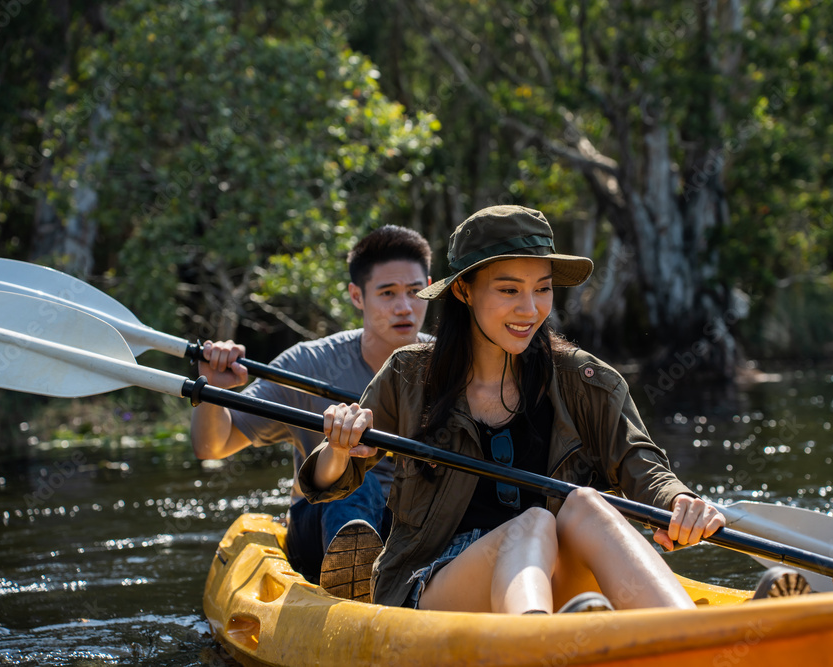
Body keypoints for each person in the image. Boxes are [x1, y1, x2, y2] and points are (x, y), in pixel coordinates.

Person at [298, 205, 728, 614]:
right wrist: (338, 447)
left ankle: (692, 633)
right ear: (464, 290)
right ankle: (537, 638)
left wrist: (680, 501)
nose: (530, 309)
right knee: (533, 522)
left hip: (556, 574)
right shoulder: (409, 375)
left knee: (586, 504)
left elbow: (641, 464)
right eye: (509, 290)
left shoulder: (584, 380)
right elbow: (327, 484)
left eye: (542, 289)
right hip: (432, 582)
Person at [191, 225, 432, 602]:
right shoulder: (308, 365)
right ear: (357, 296)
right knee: (354, 481)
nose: (404, 307)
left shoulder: (453, 366)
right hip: (320, 528)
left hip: (412, 526)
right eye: (387, 293)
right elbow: (213, 446)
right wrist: (213, 389)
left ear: (430, 288)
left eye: (415, 292)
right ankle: (353, 588)